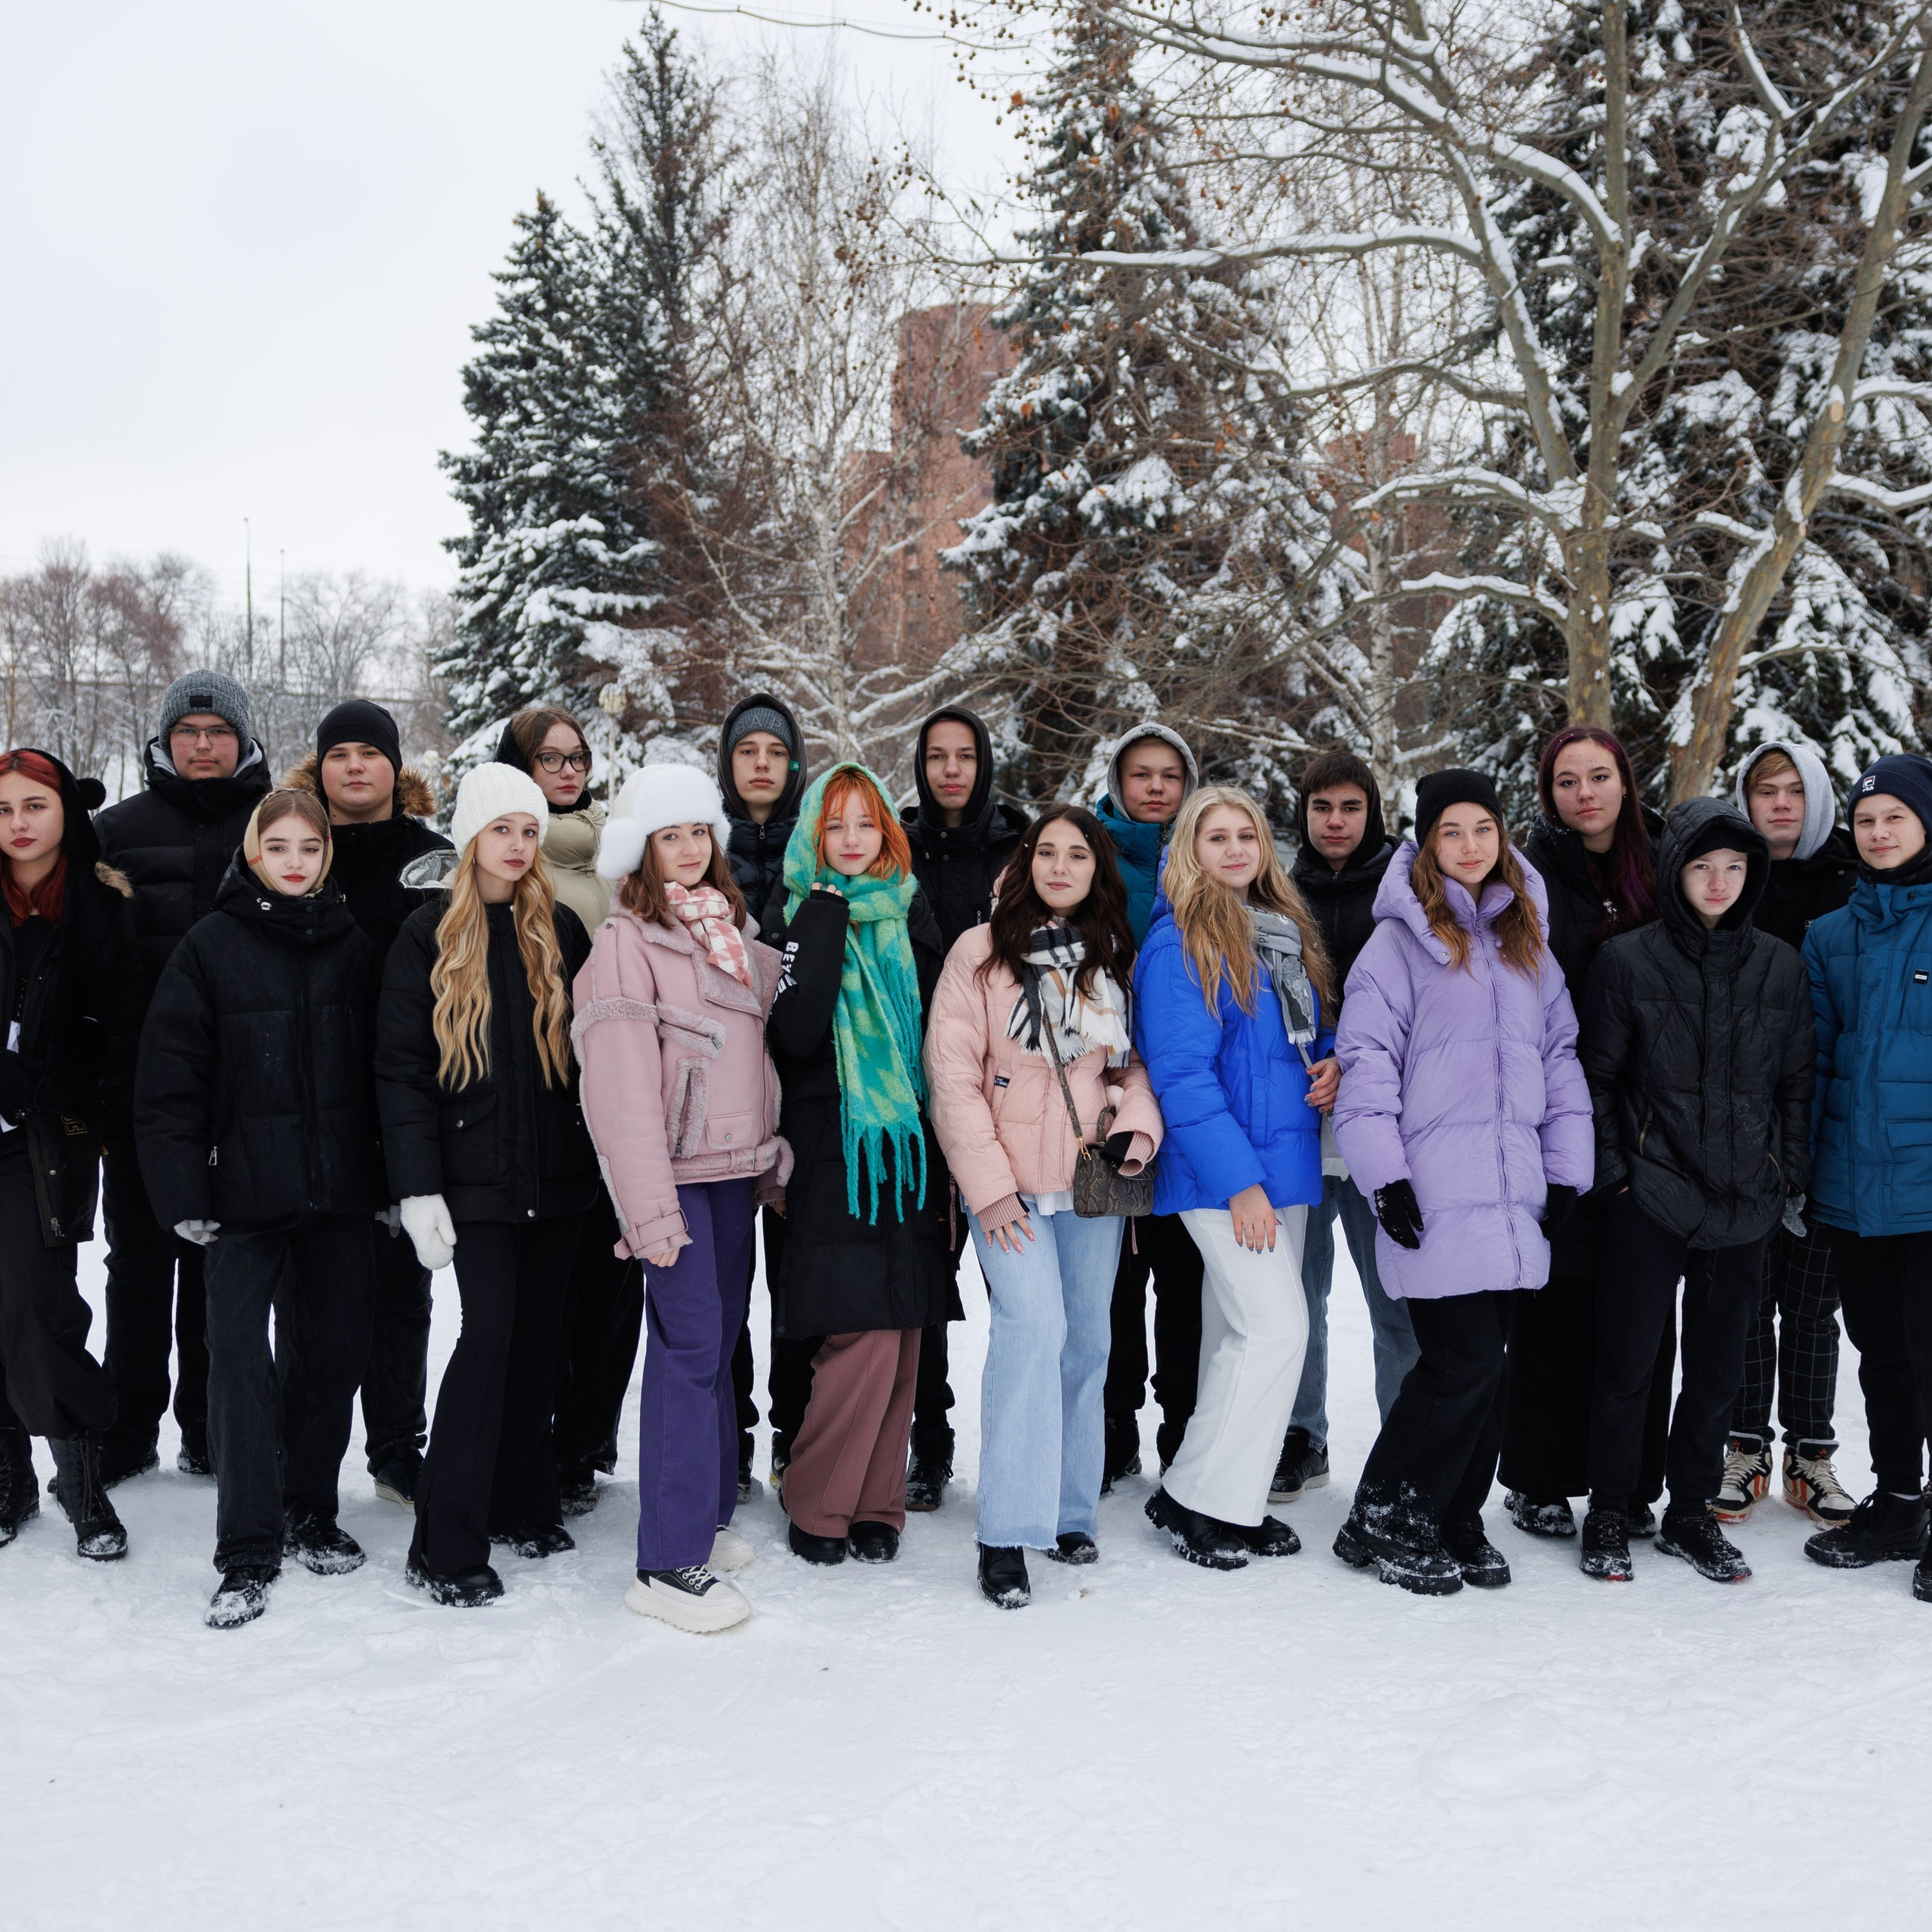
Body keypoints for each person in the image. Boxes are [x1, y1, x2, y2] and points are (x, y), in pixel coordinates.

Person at [1332, 770, 1592, 1595]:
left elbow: (1559, 1057)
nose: (1471, 845)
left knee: (1493, 1366)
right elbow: (1365, 1064)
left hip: (1514, 1195)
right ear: (1427, 843)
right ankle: (1387, 1512)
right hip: (1433, 1191)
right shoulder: (1396, 944)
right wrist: (1384, 1176)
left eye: (1484, 828)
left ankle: (1454, 1515)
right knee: (1461, 1363)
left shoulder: (1526, 942)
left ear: (1502, 836)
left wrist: (1566, 1171)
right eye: (1452, 831)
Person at [136, 789, 386, 1627]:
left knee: (331, 1354)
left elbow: (386, 1072)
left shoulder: (354, 943)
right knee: (239, 1364)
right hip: (240, 1196)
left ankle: (310, 1507)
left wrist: (389, 1182)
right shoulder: (210, 946)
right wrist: (183, 1192)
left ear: (326, 855)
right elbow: (169, 1081)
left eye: (309, 847)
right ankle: (247, 1546)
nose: (294, 861)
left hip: (340, 1193)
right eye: (277, 847)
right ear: (252, 855)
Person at [926, 806, 1163, 1607]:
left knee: (1087, 1343)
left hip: (1091, 1182)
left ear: (1098, 870)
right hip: (1011, 1187)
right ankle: (1006, 1529)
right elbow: (952, 1077)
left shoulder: (1110, 953)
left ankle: (1067, 1510)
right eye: (1047, 853)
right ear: (1026, 862)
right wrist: (989, 1189)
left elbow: (1130, 1067)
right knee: (1032, 1332)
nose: (1061, 867)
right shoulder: (981, 951)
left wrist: (1136, 1127)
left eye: (1078, 855)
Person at [377, 762, 599, 1607]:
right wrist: (417, 1187)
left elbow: (595, 1053)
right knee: (489, 1336)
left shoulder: (560, 928)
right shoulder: (427, 933)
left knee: (539, 1341)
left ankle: (519, 1500)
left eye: (530, 831)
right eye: (502, 829)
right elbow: (401, 1070)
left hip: (559, 1175)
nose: (517, 845)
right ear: (471, 836)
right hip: (472, 1179)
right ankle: (444, 1540)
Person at [1576, 799, 1814, 1584]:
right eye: (1703, 866)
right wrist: (1615, 1176)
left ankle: (1689, 1512)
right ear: (1675, 870)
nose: (1719, 881)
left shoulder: (1780, 965)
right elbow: (1595, 1079)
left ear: (1752, 875)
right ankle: (1611, 1507)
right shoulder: (1627, 961)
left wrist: (1785, 1172)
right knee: (1628, 1363)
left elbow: (1795, 1084)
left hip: (1746, 1201)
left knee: (1717, 1373)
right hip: (1650, 1196)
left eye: (1735, 867)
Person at [575, 764, 789, 1634]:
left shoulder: (724, 928)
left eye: (699, 830)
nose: (690, 848)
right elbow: (620, 1088)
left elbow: (747, 1056)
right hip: (672, 1177)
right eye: (671, 835)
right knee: (689, 1349)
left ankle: (701, 1517)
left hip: (731, 1171)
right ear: (641, 850)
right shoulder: (626, 941)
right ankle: (665, 1561)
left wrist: (769, 1155)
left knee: (717, 1342)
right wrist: (648, 1210)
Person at [1134, 785, 1334, 1570]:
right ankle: (1195, 1497)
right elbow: (1182, 1077)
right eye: (1215, 837)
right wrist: (1239, 1184)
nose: (1234, 849)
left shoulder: (1280, 931)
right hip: (1225, 1174)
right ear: (1189, 850)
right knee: (1279, 1328)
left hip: (1285, 1164)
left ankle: (1230, 1499)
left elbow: (1299, 1038)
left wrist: (1333, 1064)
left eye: (1245, 834)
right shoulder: (1180, 942)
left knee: (1240, 1336)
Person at [767, 764, 954, 1566]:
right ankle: (817, 1499)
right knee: (859, 1330)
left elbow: (939, 1036)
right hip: (831, 1147)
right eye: (834, 825)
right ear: (813, 834)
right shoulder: (792, 913)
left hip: (907, 1147)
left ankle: (877, 1502)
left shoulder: (912, 910)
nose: (851, 839)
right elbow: (795, 1033)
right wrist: (823, 916)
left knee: (903, 1330)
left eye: (866, 824)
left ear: (887, 833)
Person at [94, 669, 270, 1486]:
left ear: (243, 739)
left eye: (219, 731)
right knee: (138, 1261)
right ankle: (128, 1427)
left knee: (220, 1267)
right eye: (188, 732)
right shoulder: (115, 831)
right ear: (165, 741)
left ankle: (209, 1427)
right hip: (140, 1091)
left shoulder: (276, 825)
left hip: (243, 1093)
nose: (203, 745)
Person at [1500, 724, 1669, 1540]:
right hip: (1559, 1106)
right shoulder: (1530, 872)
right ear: (1548, 794)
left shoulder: (1665, 860)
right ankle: (1537, 1477)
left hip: (1653, 1114)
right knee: (1555, 1300)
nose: (1584, 794)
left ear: (1624, 781)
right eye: (1566, 782)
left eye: (1598, 776)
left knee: (1641, 1308)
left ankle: (1627, 1480)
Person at [284, 700, 451, 1511]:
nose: (355, 766)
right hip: (308, 1099)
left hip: (409, 1099)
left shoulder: (434, 859)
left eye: (370, 753)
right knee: (315, 1296)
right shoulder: (292, 849)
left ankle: (396, 1448)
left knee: (402, 1288)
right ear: (320, 769)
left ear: (395, 766)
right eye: (339, 754)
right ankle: (302, 1460)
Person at [494, 706, 636, 1514]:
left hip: (618, 1094)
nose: (569, 770)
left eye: (577, 757)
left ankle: (582, 1445)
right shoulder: (505, 850)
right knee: (543, 1291)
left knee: (612, 1287)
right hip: (539, 1099)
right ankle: (528, 1445)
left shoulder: (620, 852)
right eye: (549, 758)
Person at [0, 752, 141, 1561]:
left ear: (66, 813)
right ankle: (8, 1476)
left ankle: (80, 1479)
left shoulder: (99, 904)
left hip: (46, 1137)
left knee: (36, 1303)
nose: (19, 823)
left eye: (35, 805)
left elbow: (120, 1020)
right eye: (4, 809)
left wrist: (61, 1077)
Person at [1798, 755, 1932, 1598]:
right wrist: (1802, 1170)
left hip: (1927, 1190)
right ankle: (1900, 1503)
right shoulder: (1829, 935)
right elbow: (1814, 1065)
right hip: (1852, 1189)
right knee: (1881, 1353)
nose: (1879, 833)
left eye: (1896, 818)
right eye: (1867, 819)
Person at [1715, 740, 1859, 1527]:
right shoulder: (1727, 878)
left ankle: (1812, 1453)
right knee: (1742, 1297)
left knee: (1810, 1304)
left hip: (1828, 1125)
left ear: (1818, 800)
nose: (1778, 803)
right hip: (1740, 1128)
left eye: (1794, 791)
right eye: (1764, 790)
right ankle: (1743, 1447)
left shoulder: (1854, 880)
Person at [1275, 749, 1419, 1503]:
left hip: (1380, 1124)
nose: (1335, 821)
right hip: (1297, 1122)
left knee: (1396, 1299)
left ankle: (1404, 1444)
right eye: (1322, 807)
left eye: (1351, 807)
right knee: (1298, 1298)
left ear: (1374, 812)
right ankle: (1302, 1436)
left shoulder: (1405, 889)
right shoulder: (1277, 890)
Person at [899, 705, 1029, 1509]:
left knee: (1021, 1284)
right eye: (937, 757)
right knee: (923, 1284)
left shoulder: (1020, 845)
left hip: (1012, 1096)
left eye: (965, 756)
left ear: (984, 763)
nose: (951, 770)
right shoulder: (898, 845)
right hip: (917, 1090)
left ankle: (1030, 1444)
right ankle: (930, 1441)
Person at [1091, 722, 1208, 1487]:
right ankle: (1112, 1427)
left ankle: (1184, 1431)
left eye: (1170, 774)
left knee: (1185, 1278)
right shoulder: (1090, 853)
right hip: (1111, 1100)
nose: (1157, 786)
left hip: (1190, 1100)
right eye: (1142, 774)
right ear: (1118, 782)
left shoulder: (1207, 854)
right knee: (1116, 1277)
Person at [715, 693, 809, 1500]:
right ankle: (729, 1434)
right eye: (747, 750)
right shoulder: (698, 847)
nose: (761, 765)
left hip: (800, 1093)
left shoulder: (819, 848)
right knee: (722, 1282)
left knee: (794, 1278)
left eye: (775, 752)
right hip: (716, 1095)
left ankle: (794, 1434)